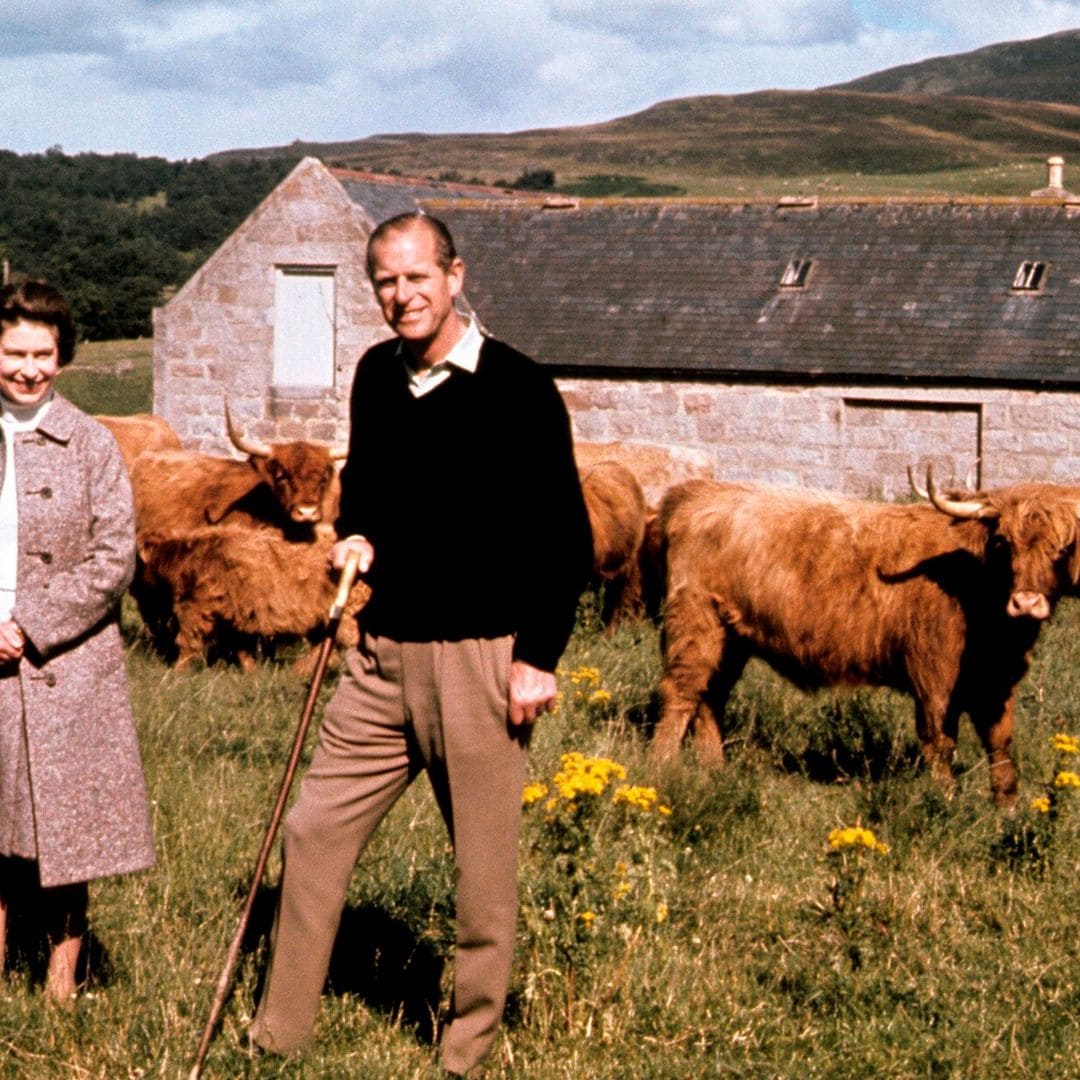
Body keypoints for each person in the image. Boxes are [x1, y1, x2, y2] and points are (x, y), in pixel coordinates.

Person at [250, 212, 594, 1074]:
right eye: (385, 282)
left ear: (455, 275)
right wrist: (358, 533)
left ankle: (464, 1052)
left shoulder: (518, 387)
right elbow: (368, 488)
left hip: (481, 659)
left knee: (482, 880)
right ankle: (277, 1033)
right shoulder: (374, 375)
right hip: (379, 657)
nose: (400, 295)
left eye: (415, 277)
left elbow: (566, 540)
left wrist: (538, 658)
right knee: (315, 830)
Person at [0, 280, 155, 1005]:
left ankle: (63, 984)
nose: (28, 368)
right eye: (12, 352)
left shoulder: (91, 444)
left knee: (68, 833)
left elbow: (112, 559)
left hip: (64, 662)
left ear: (62, 356)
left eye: (42, 353)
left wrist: (30, 624)